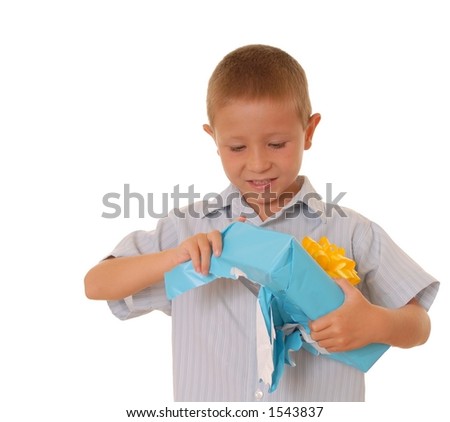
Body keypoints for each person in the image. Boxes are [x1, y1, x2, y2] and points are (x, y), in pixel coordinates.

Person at [84, 44, 439, 402]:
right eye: (237, 148)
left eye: (277, 143)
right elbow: (97, 283)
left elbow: (419, 324)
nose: (258, 164)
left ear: (309, 131)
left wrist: (377, 323)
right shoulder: (188, 227)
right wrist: (174, 257)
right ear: (214, 139)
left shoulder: (350, 230)